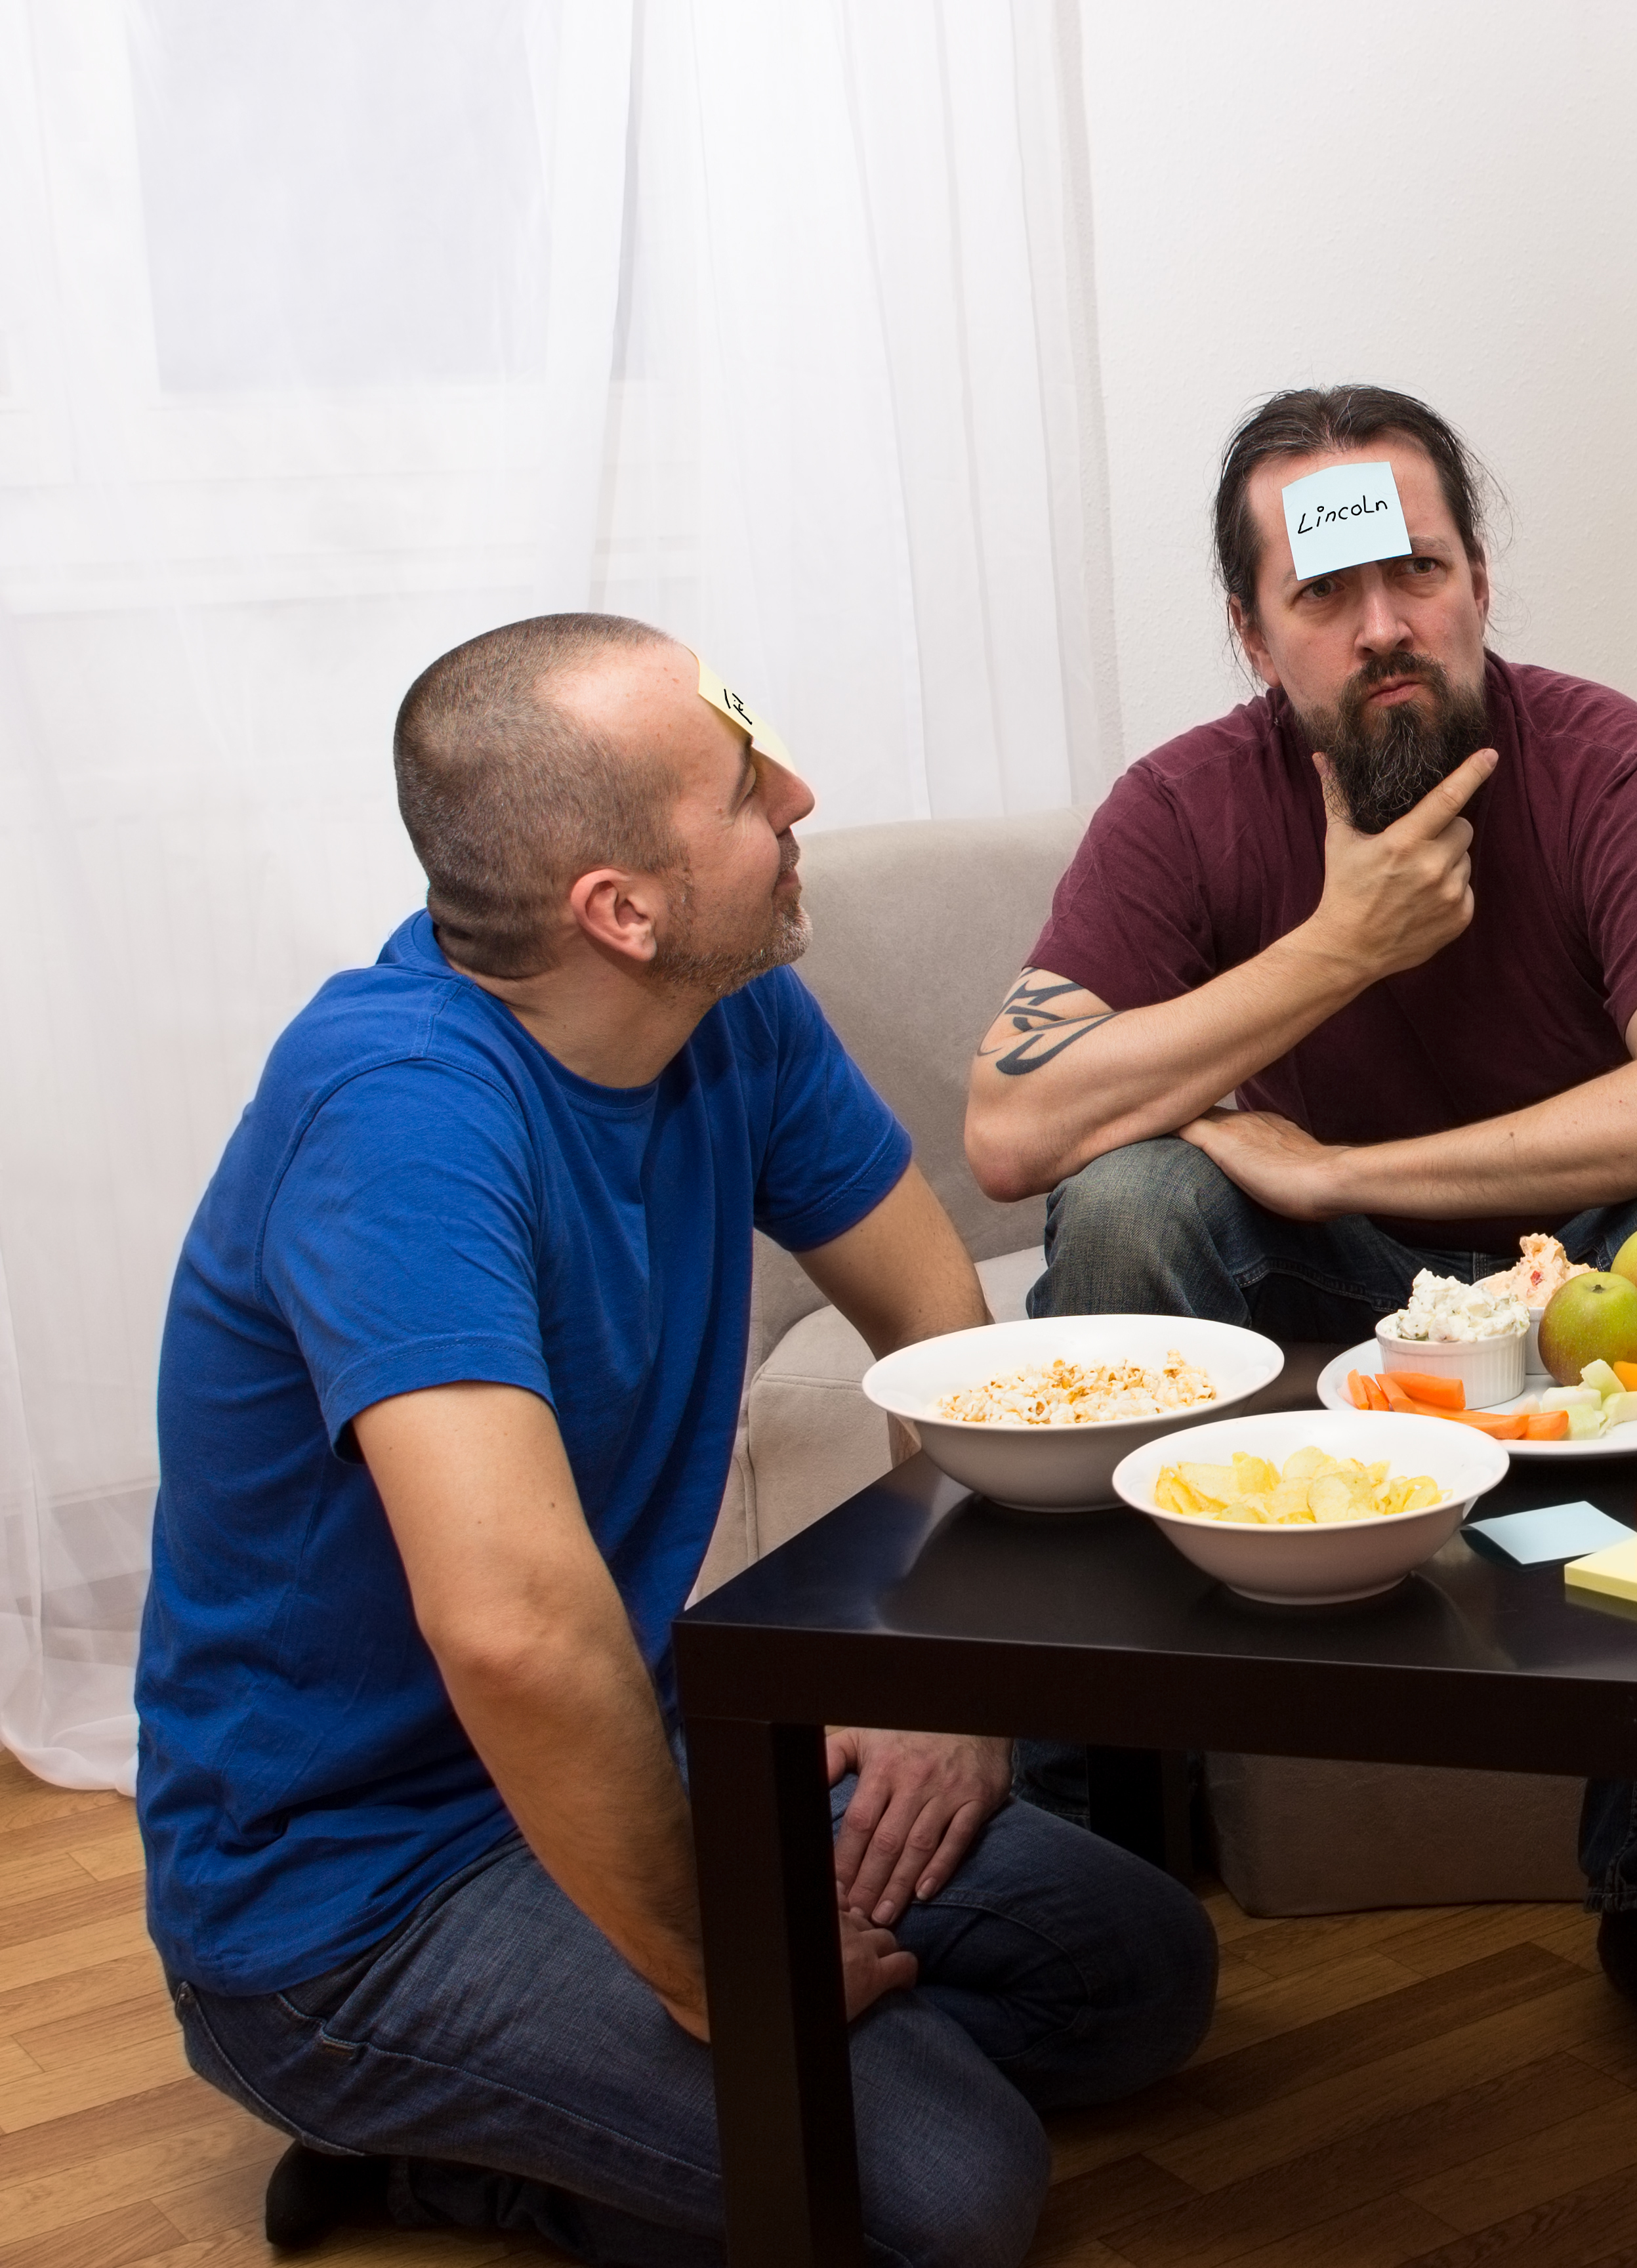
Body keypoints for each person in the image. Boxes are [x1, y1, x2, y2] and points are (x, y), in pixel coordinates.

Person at [138, 616, 1216, 2265]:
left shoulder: (731, 1012)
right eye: (740, 788)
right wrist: (723, 1965)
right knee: (949, 2192)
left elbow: (951, 1360)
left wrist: (935, 1678)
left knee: (1135, 1975)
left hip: (633, 1748)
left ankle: (635, 2110)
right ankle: (418, 2133)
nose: (797, 794)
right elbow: (512, 1632)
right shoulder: (398, 1116)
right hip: (354, 1899)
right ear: (619, 912)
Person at [963, 381, 1637, 1339]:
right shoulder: (1184, 806)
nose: (1384, 628)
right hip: (1320, 1268)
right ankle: (1135, 1497)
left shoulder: (1619, 769)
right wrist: (1344, 946)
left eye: (1418, 571)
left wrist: (1335, 1172)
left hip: (1578, 1258)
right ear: (1253, 638)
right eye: (1324, 592)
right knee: (1127, 1201)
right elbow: (1009, 1131)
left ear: (1478, 582)